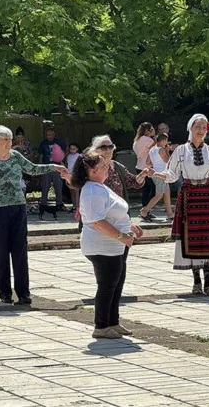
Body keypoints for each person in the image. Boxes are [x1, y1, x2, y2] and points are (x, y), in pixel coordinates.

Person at [0, 126, 67, 305]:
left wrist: (54, 167)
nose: (8, 143)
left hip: (18, 206)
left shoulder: (16, 157)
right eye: (4, 140)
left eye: (9, 139)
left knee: (20, 251)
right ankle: (4, 293)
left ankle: (23, 293)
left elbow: (32, 168)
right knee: (0, 251)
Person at [154, 114, 209, 295]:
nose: (201, 130)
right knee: (191, 236)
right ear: (190, 128)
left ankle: (208, 283)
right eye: (197, 126)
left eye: (204, 127)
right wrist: (156, 174)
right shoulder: (181, 151)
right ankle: (196, 282)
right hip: (189, 195)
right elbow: (173, 175)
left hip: (208, 194)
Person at [72, 152, 143, 339]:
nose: (108, 168)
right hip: (101, 246)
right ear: (92, 170)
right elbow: (97, 221)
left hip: (113, 246)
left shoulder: (99, 186)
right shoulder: (92, 191)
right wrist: (120, 236)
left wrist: (129, 226)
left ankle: (113, 322)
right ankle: (101, 325)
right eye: (103, 166)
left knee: (116, 283)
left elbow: (113, 212)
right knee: (106, 285)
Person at [67, 135, 149, 213]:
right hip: (96, 212)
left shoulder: (117, 166)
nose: (108, 150)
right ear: (95, 150)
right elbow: (76, 183)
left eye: (111, 147)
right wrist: (67, 176)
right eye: (104, 147)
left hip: (118, 215)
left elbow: (133, 182)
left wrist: (142, 175)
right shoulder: (88, 166)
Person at [143, 133, 174, 220]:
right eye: (166, 140)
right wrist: (167, 151)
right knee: (159, 195)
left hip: (156, 173)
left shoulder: (152, 149)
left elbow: (148, 162)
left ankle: (170, 214)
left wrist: (156, 164)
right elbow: (168, 161)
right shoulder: (161, 149)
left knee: (167, 193)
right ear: (163, 140)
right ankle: (145, 211)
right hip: (161, 174)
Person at [37, 128, 66, 211]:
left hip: (57, 166)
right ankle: (43, 204)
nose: (48, 136)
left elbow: (65, 150)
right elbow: (41, 154)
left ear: (54, 134)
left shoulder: (58, 142)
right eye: (47, 135)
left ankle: (59, 203)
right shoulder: (43, 143)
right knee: (45, 185)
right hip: (47, 166)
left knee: (58, 185)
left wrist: (62, 159)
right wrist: (41, 165)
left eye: (50, 134)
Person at [133, 122, 157, 219]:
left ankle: (146, 211)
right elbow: (156, 146)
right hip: (147, 167)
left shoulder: (136, 140)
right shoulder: (148, 139)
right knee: (154, 189)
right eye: (151, 130)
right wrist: (154, 135)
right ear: (147, 131)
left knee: (145, 189)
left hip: (139, 166)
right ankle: (145, 210)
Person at [63, 142, 81, 211]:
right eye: (71, 149)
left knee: (76, 191)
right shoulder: (68, 156)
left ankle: (77, 207)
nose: (72, 150)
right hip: (69, 174)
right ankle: (74, 206)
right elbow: (67, 164)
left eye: (74, 149)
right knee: (71, 191)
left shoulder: (78, 156)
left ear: (77, 149)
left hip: (76, 174)